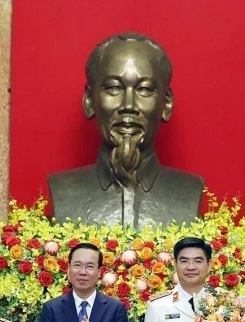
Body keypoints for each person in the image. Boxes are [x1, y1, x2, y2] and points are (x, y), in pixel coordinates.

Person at [48, 32, 204, 228]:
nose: (128, 105)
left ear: (166, 104)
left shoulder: (191, 192)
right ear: (89, 101)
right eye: (113, 88)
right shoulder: (62, 191)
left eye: (144, 89)